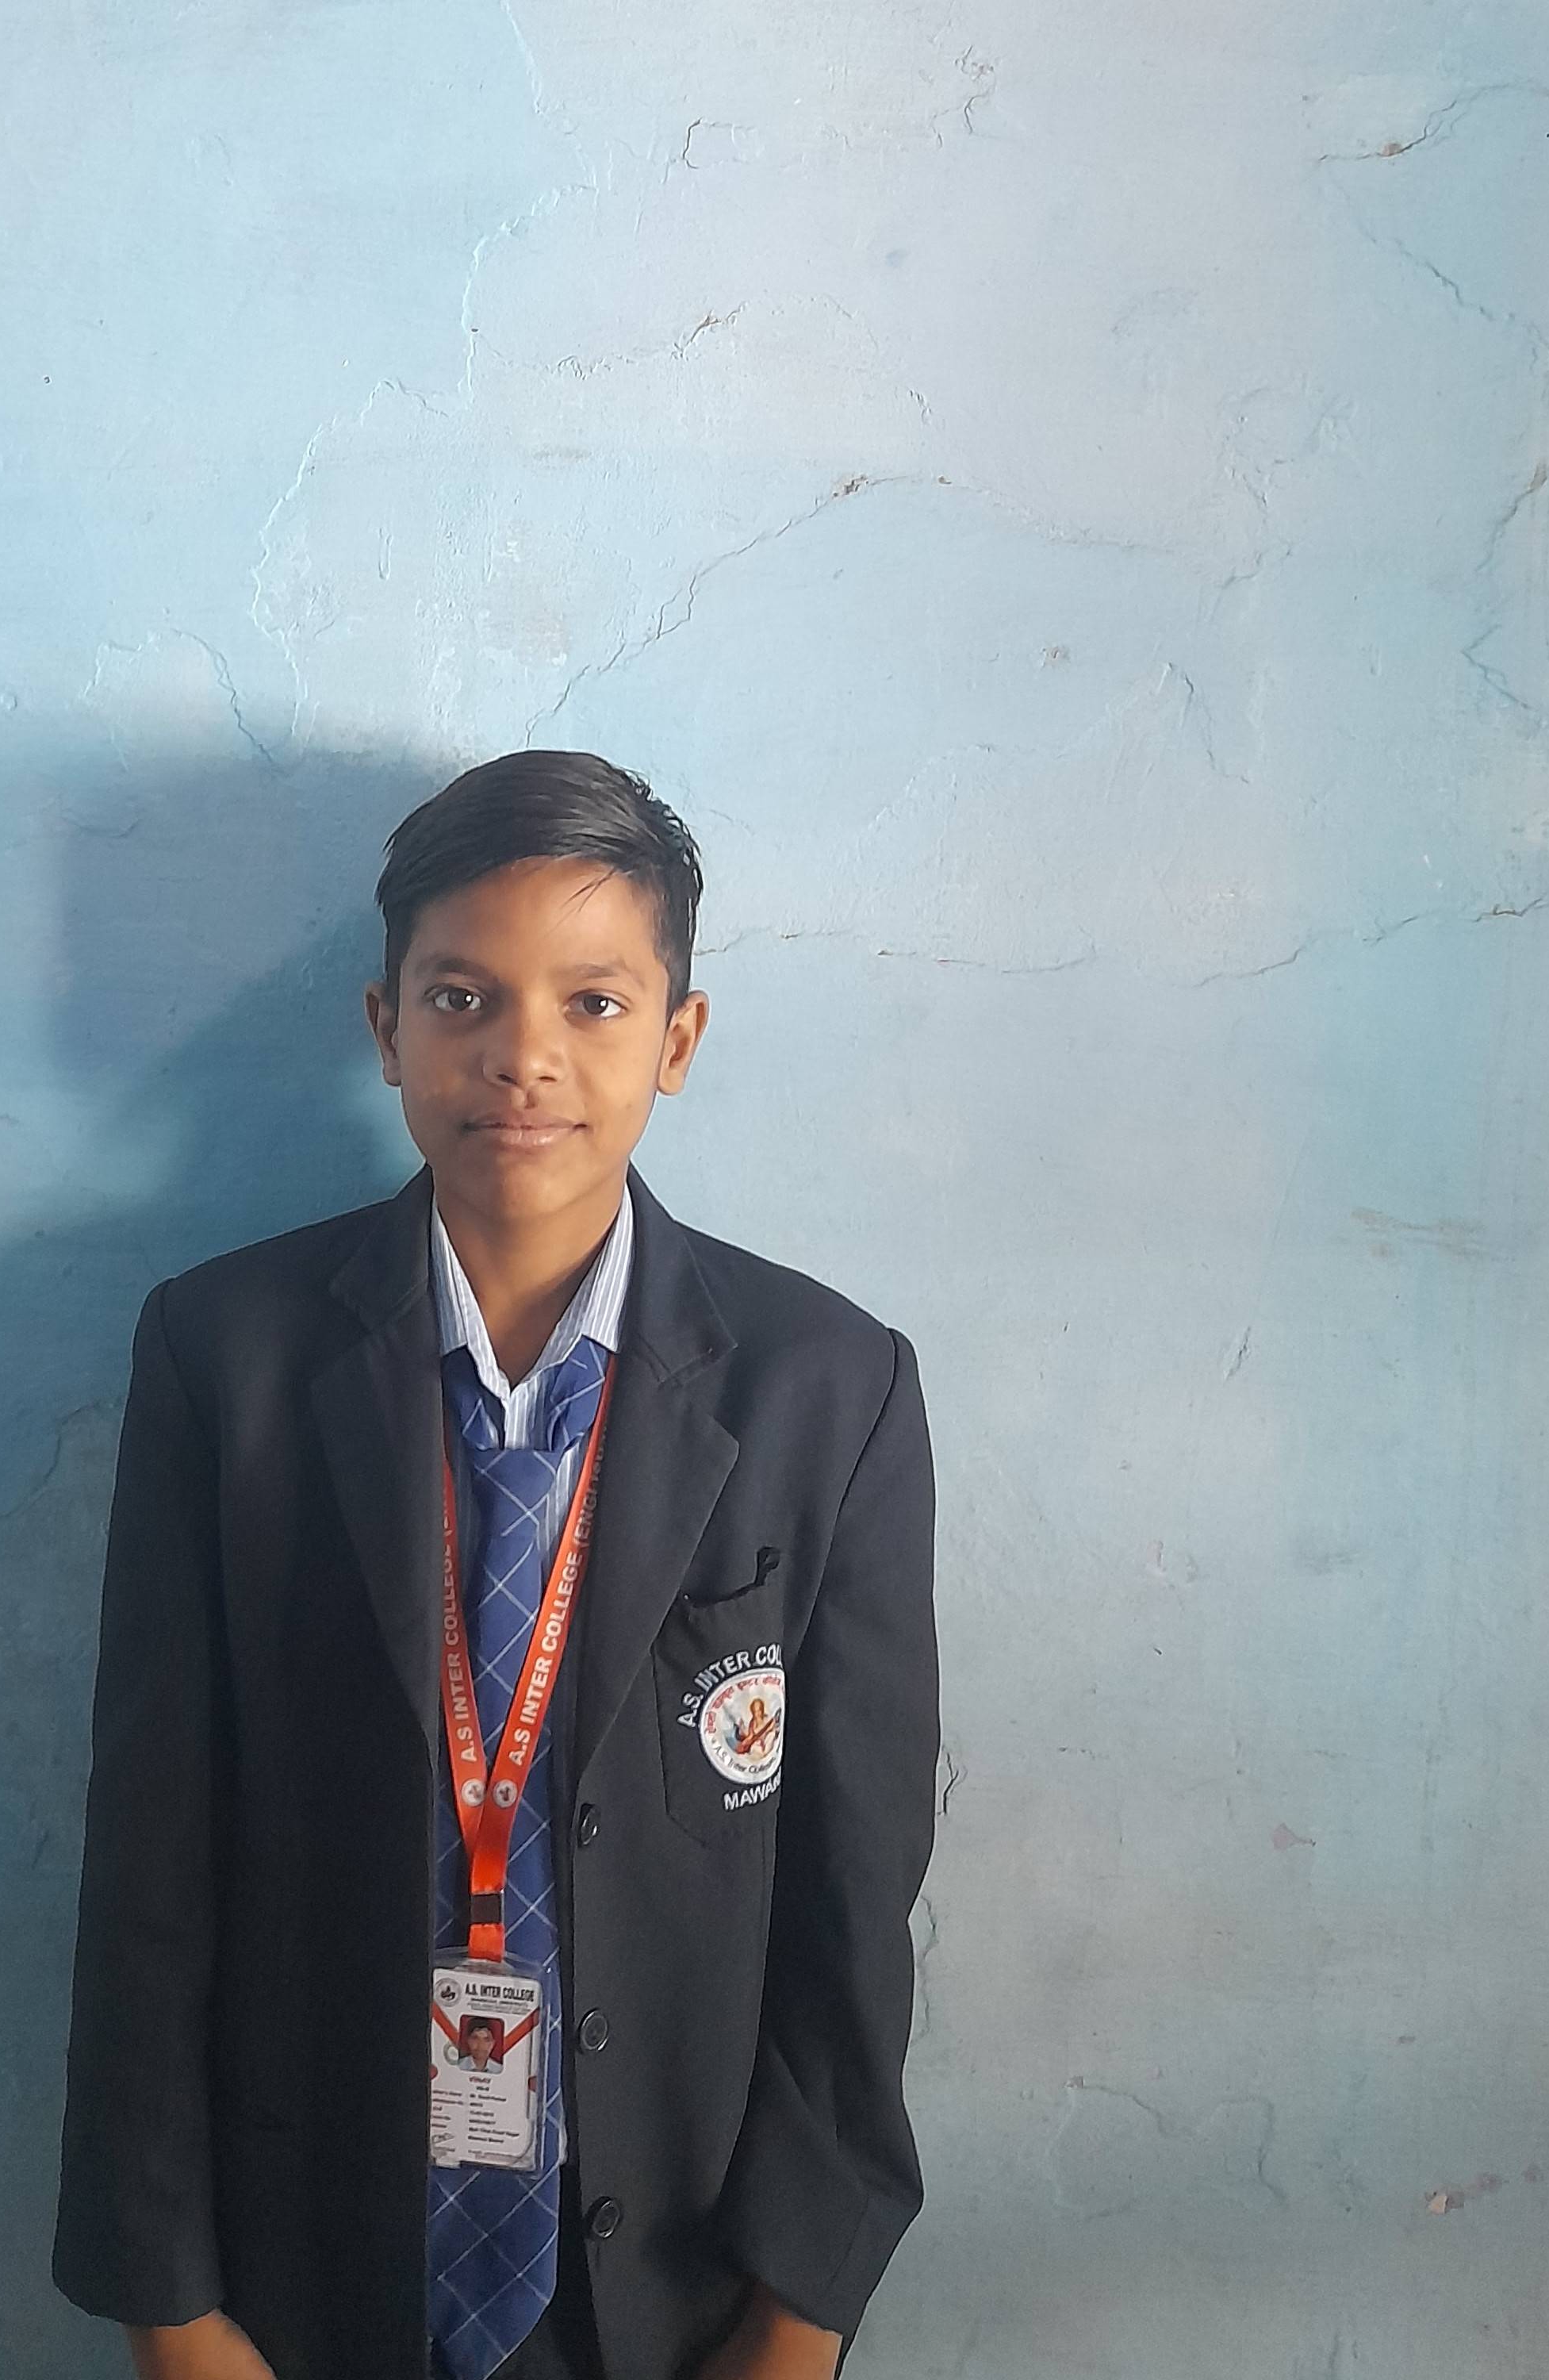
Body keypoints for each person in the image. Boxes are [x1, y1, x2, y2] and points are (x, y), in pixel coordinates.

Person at [52, 751, 939, 2380]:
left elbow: (856, 1888)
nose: (523, 1056)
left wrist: (800, 2311)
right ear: (384, 1026)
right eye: (461, 997)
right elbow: (153, 1859)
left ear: (679, 1040)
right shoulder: (225, 1359)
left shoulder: (829, 1389)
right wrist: (167, 2306)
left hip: (678, 2268)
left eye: (594, 1004)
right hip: (307, 2253)